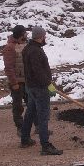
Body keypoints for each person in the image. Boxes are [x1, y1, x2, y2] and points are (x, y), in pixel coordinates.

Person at [18, 26, 63, 155]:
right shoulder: (36, 51)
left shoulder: (28, 49)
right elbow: (38, 71)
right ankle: (45, 146)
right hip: (40, 88)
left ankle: (25, 139)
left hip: (31, 87)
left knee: (30, 113)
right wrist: (48, 84)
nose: (45, 38)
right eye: (44, 36)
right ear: (40, 37)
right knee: (43, 117)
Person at [1, 24, 28, 128]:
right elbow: (9, 67)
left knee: (32, 104)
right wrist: (14, 83)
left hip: (27, 81)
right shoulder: (9, 48)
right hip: (17, 83)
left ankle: (38, 126)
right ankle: (20, 128)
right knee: (18, 106)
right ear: (21, 35)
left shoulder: (26, 45)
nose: (26, 35)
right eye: (25, 33)